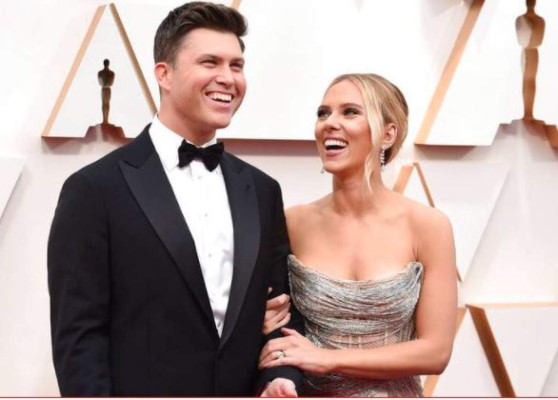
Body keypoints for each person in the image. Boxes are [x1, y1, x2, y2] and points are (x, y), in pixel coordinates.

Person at [47, 2, 303, 396]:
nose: (227, 78)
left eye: (236, 65)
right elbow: (79, 339)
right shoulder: (95, 190)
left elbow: (281, 311)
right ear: (164, 74)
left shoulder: (262, 190)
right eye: (210, 62)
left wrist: (278, 378)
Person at [259, 73, 457, 397]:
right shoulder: (291, 222)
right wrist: (262, 327)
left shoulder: (428, 226)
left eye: (350, 112)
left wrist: (328, 359)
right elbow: (273, 319)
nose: (329, 123)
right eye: (323, 113)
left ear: (388, 134)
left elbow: (435, 352)